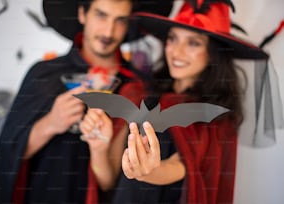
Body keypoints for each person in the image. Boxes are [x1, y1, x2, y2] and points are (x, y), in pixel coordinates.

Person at [80, 0, 283, 203]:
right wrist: (98, 148)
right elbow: (107, 182)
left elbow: (181, 167)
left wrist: (147, 171)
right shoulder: (137, 93)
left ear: (213, 53)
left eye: (193, 43)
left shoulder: (211, 115)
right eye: (173, 39)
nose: (177, 52)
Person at [0, 0, 174, 203]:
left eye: (119, 20)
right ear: (82, 14)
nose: (108, 32)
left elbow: (117, 185)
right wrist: (51, 123)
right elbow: (7, 153)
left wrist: (101, 148)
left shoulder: (138, 89)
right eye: (101, 15)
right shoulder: (43, 75)